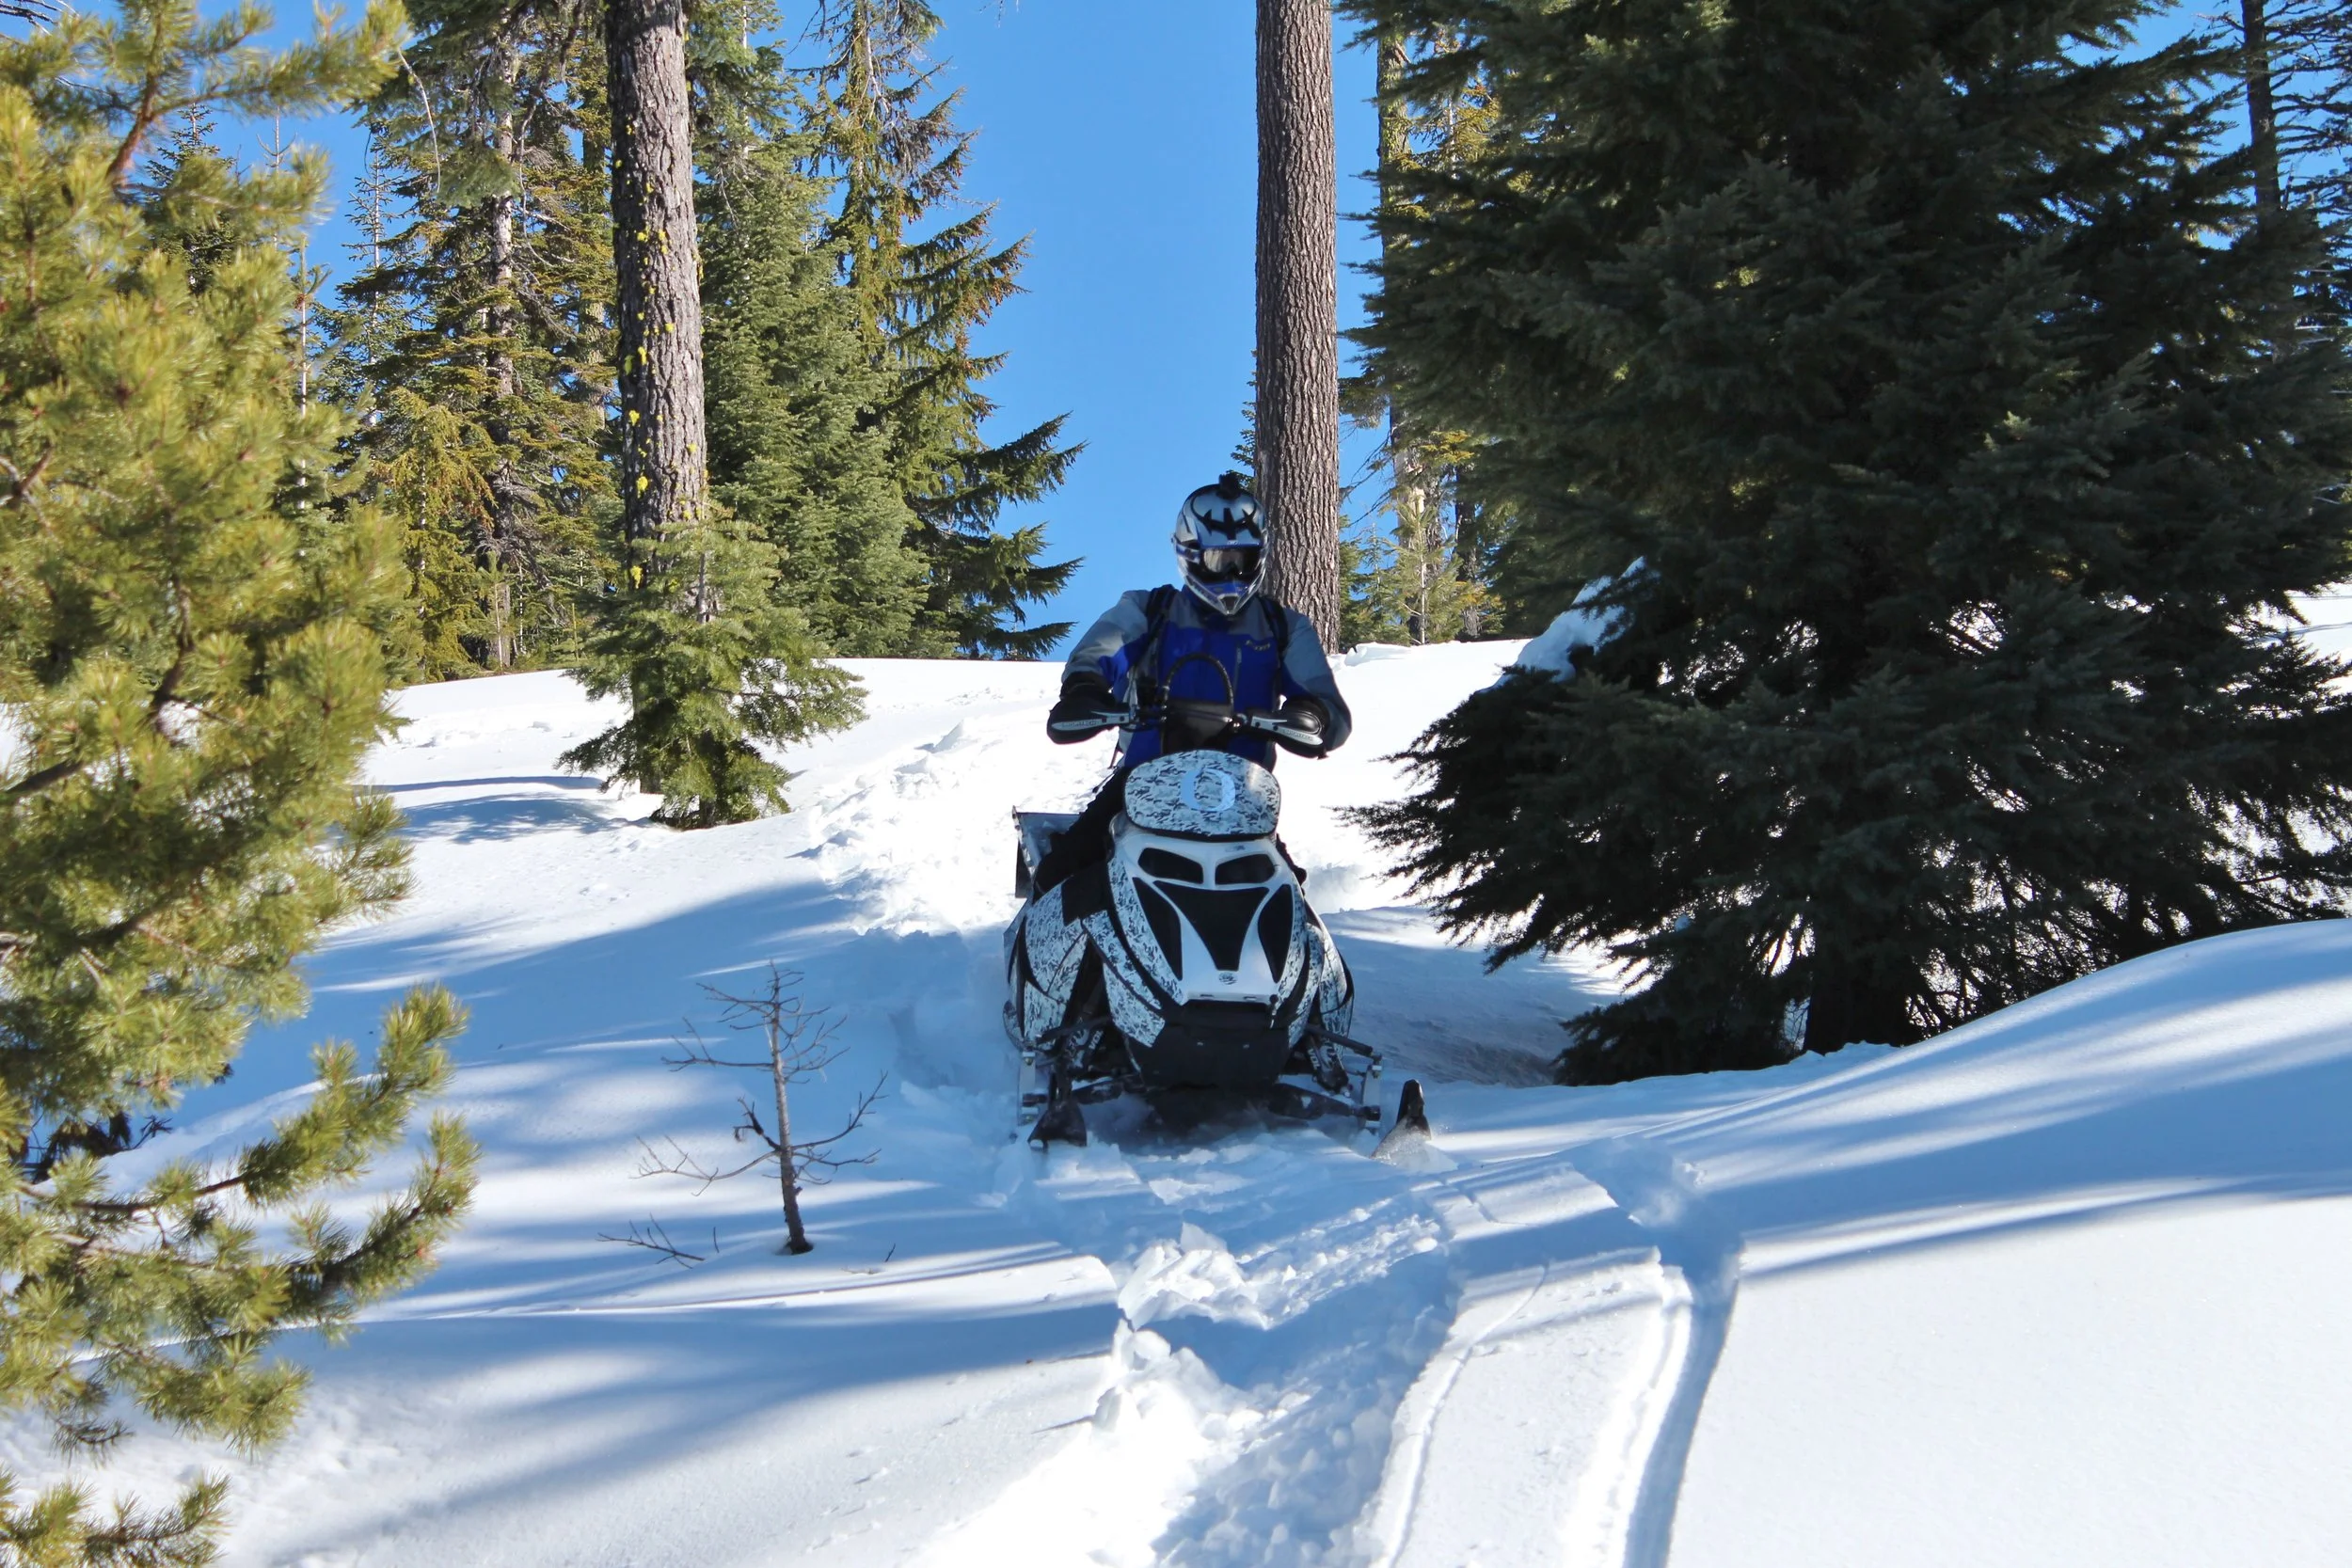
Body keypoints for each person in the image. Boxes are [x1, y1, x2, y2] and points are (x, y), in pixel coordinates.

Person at [1030, 472, 1352, 895]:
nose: (1231, 572)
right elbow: (1101, 649)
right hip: (1144, 786)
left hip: (1241, 799)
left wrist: (1311, 715)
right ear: (1190, 555)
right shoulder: (1149, 610)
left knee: (1289, 900)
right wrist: (1084, 689)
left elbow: (1328, 707)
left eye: (1242, 559)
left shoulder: (1282, 628)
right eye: (1219, 560)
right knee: (1057, 878)